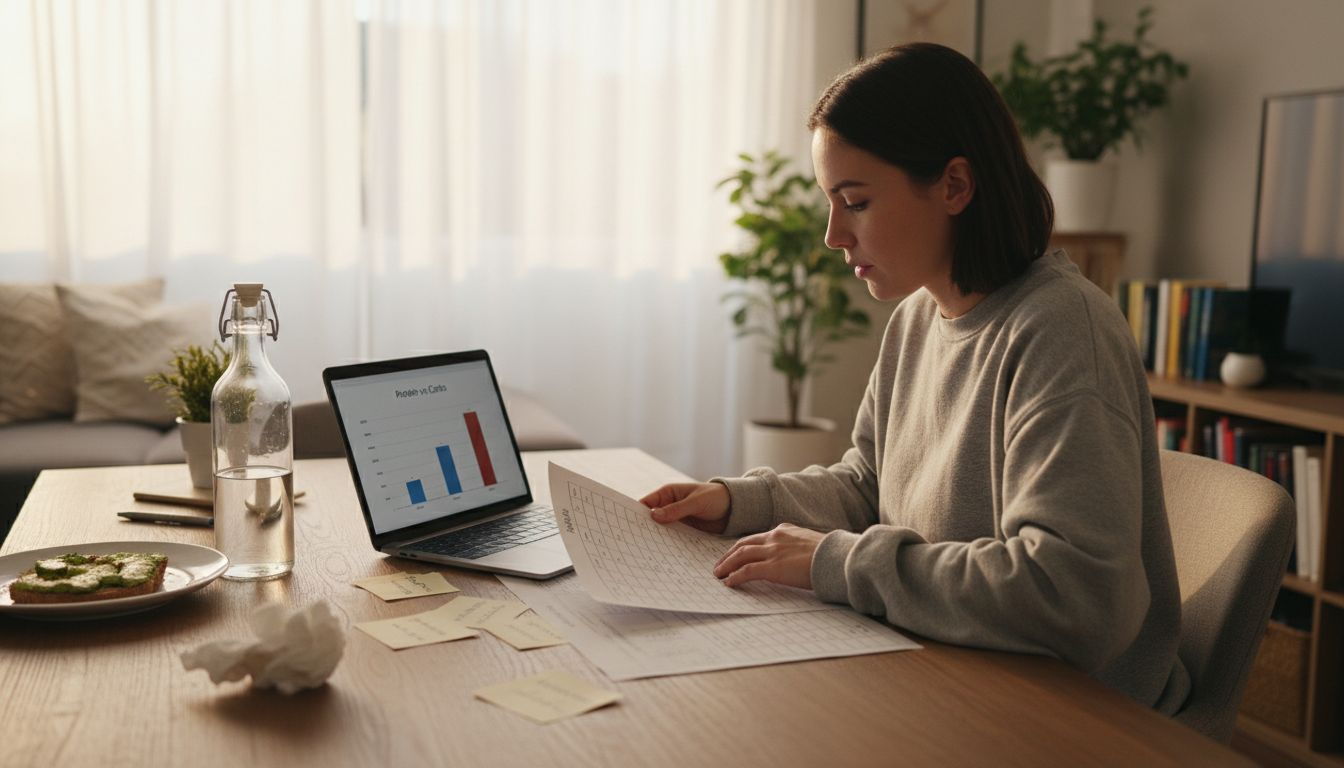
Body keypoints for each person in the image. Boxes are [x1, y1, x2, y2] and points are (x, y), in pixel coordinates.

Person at [639, 43, 1188, 713]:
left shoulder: (1062, 331)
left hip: (1073, 711)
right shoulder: (919, 319)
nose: (833, 236)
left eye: (856, 202)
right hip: (950, 663)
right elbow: (869, 485)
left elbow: (1076, 595)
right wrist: (738, 503)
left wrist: (834, 562)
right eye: (830, 204)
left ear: (955, 186)